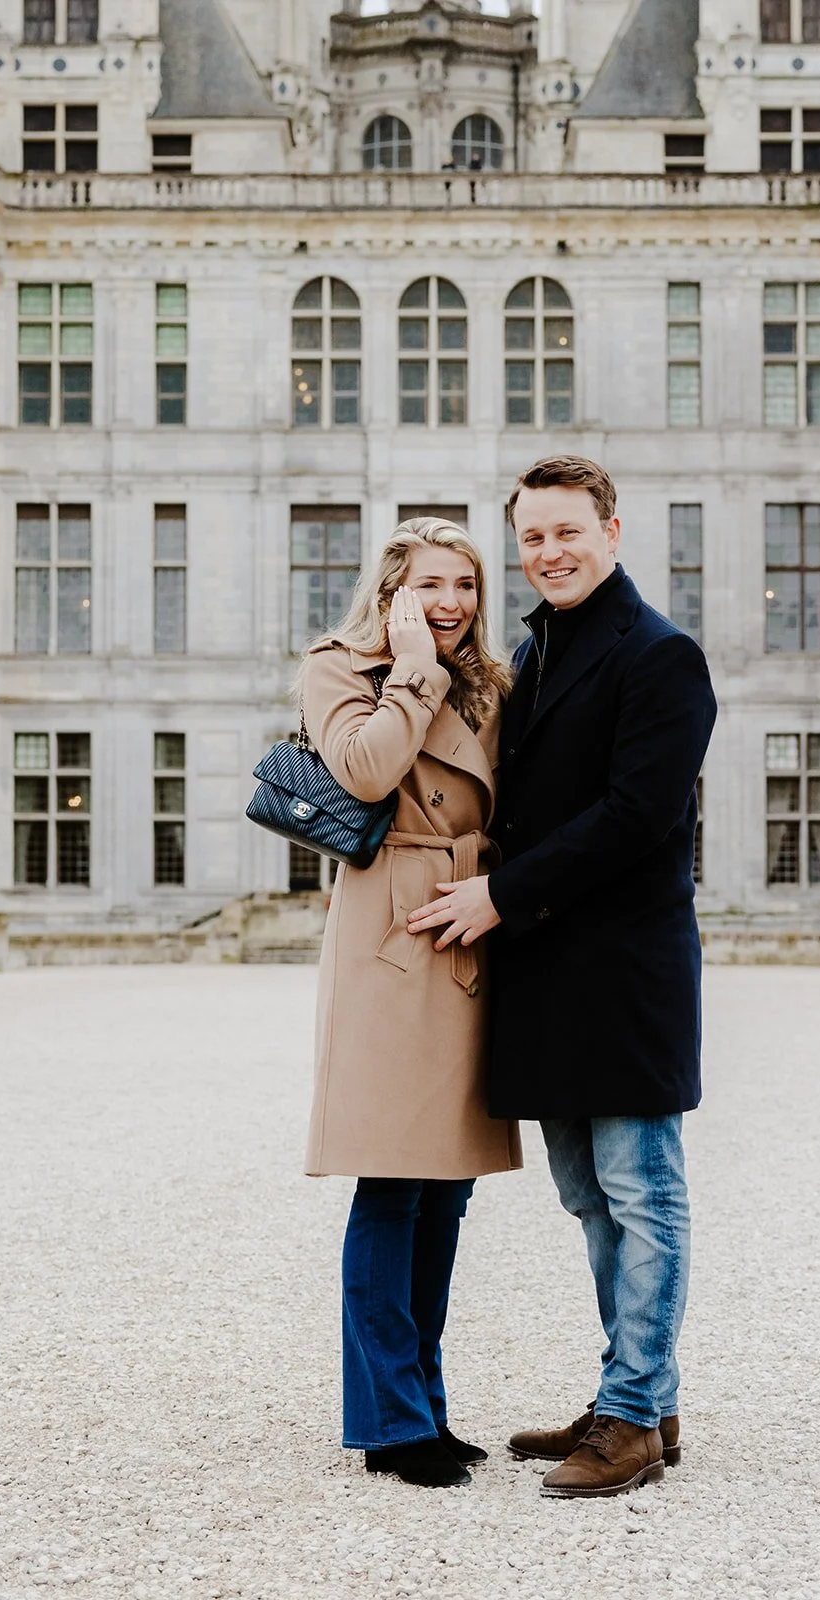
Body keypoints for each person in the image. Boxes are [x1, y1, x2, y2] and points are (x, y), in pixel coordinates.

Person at [407, 457, 717, 1499]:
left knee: (641, 1192)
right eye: (530, 538)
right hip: (550, 969)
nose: (547, 552)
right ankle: (639, 1391)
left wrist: (498, 895)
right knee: (589, 1196)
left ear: (612, 530)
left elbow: (637, 817)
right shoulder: (537, 652)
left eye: (565, 532)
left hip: (621, 972)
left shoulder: (661, 656)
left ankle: (631, 1415)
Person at [300, 516, 522, 1490]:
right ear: (394, 589)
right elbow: (362, 770)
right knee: (392, 1181)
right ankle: (389, 1423)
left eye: (467, 586)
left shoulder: (491, 684)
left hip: (471, 926)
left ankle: (422, 1401)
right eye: (433, 584)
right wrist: (410, 664)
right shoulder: (339, 667)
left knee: (447, 1187)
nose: (453, 603)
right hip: (394, 940)